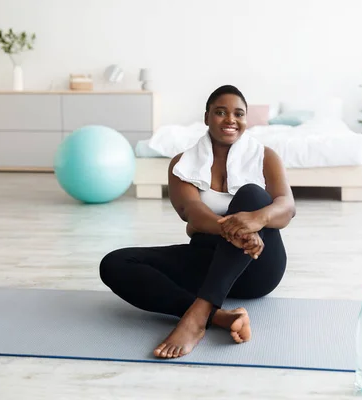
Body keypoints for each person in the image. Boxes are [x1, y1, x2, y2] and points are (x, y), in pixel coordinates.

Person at [99, 85, 296, 359]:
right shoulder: (182, 164)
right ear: (206, 117)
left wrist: (255, 219)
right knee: (115, 263)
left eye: (238, 113)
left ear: (246, 120)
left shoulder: (266, 157)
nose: (230, 119)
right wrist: (234, 231)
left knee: (251, 194)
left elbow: (286, 207)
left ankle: (197, 316)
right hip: (209, 261)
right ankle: (220, 317)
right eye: (220, 112)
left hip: (258, 267)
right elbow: (191, 212)